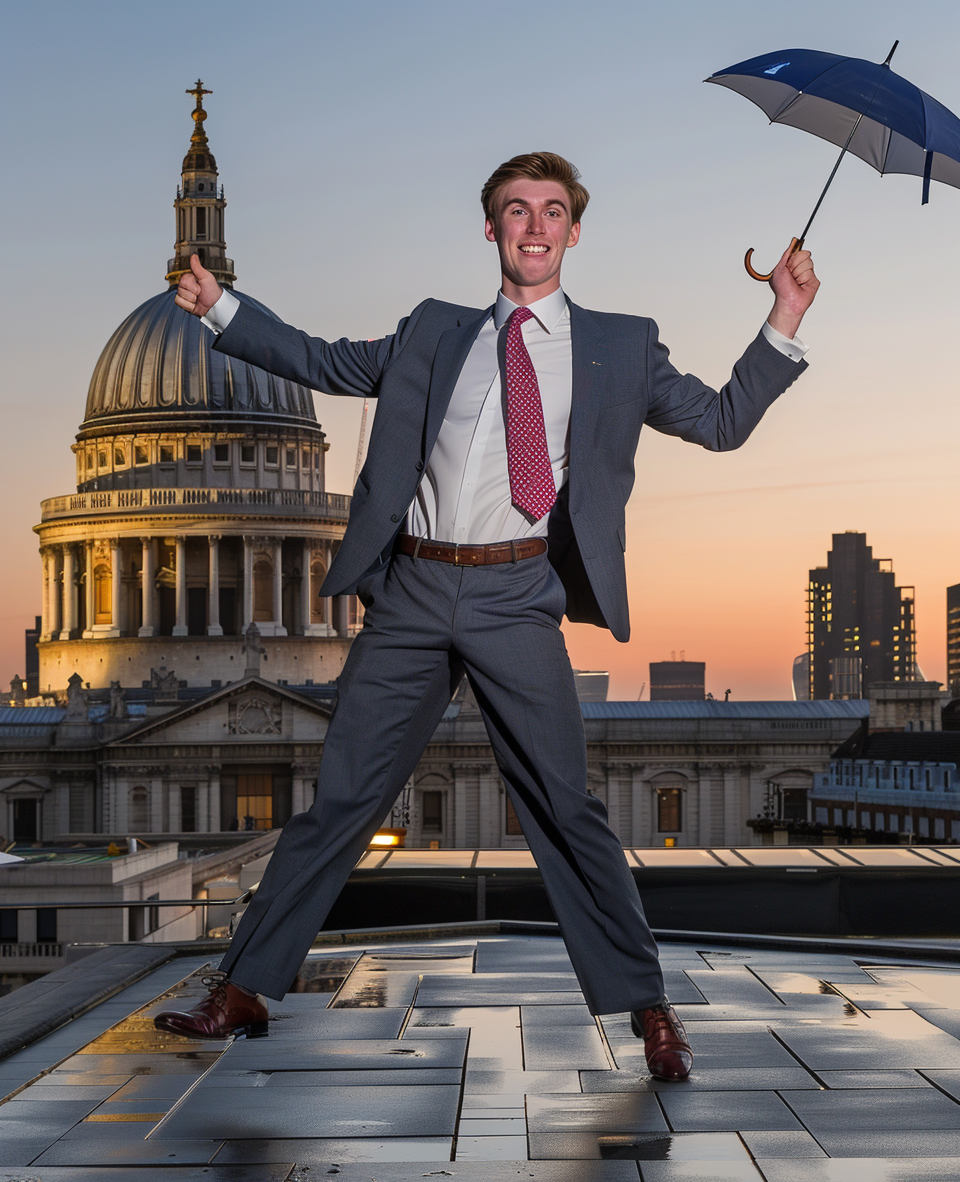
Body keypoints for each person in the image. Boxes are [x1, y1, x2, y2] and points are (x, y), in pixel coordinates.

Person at [155, 152, 818, 1081]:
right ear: (492, 228)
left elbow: (719, 421)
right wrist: (220, 308)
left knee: (568, 807)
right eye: (517, 211)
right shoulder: (433, 330)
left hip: (515, 596)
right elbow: (325, 362)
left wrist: (783, 314)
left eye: (552, 212)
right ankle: (243, 986)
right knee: (341, 800)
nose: (535, 227)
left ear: (574, 232)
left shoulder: (620, 347)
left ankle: (649, 1006)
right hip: (415, 592)